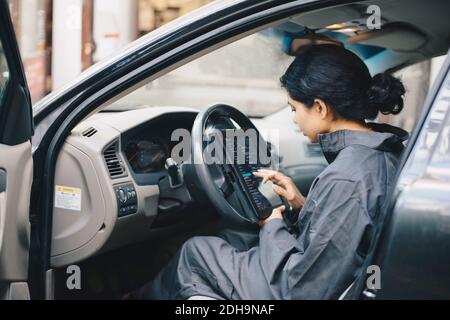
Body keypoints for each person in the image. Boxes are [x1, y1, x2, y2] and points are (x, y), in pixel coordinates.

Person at [133, 44, 409, 300]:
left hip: (293, 288)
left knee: (195, 253)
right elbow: (345, 232)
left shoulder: (347, 178)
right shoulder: (382, 154)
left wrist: (274, 224)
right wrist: (304, 206)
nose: (293, 118)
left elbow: (302, 288)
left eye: (294, 108)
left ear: (321, 108)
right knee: (231, 236)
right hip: (323, 277)